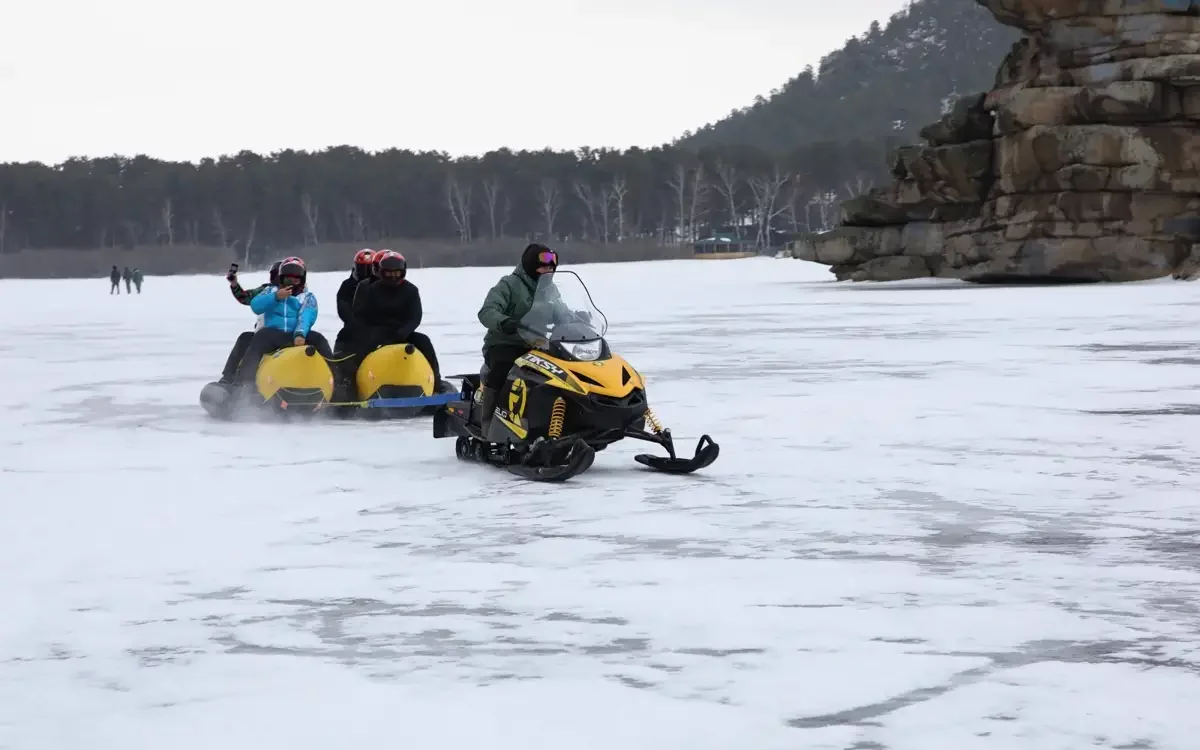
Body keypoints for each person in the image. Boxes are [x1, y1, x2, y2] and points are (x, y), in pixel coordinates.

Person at [475, 243, 559, 434]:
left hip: (537, 344)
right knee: (503, 369)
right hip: (505, 343)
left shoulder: (550, 289)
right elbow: (487, 311)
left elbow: (559, 310)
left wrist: (576, 318)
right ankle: (488, 425)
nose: (549, 270)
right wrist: (505, 322)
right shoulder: (509, 284)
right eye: (545, 266)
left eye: (552, 267)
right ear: (531, 265)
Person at [232, 256, 336, 392]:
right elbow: (256, 305)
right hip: (275, 334)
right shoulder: (270, 291)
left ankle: (336, 381)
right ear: (281, 279)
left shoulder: (307, 297)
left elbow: (307, 315)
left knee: (320, 339)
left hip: (297, 335)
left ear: (302, 280)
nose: (292, 283)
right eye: (288, 279)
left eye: (296, 279)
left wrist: (300, 333)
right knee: (260, 337)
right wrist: (276, 297)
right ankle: (244, 383)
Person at [352, 250, 442, 382]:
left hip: (403, 332)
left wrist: (403, 332)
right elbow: (362, 315)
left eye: (396, 272)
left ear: (403, 272)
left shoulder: (411, 290)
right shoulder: (372, 290)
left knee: (424, 341)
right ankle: (354, 382)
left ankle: (436, 382)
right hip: (377, 332)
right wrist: (373, 333)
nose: (393, 276)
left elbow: (415, 316)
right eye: (389, 272)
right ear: (382, 272)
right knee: (359, 346)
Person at [216, 260, 281, 385]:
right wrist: (234, 284)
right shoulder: (266, 291)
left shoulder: (300, 294)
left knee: (246, 339)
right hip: (265, 335)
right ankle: (229, 377)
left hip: (279, 336)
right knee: (245, 338)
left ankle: (236, 379)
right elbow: (245, 297)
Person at [335, 249, 375, 353]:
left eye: (369, 269)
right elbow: (342, 307)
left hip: (377, 327)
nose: (366, 272)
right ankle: (337, 363)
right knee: (343, 336)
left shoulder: (381, 286)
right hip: (353, 326)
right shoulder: (347, 285)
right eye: (362, 268)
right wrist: (354, 324)